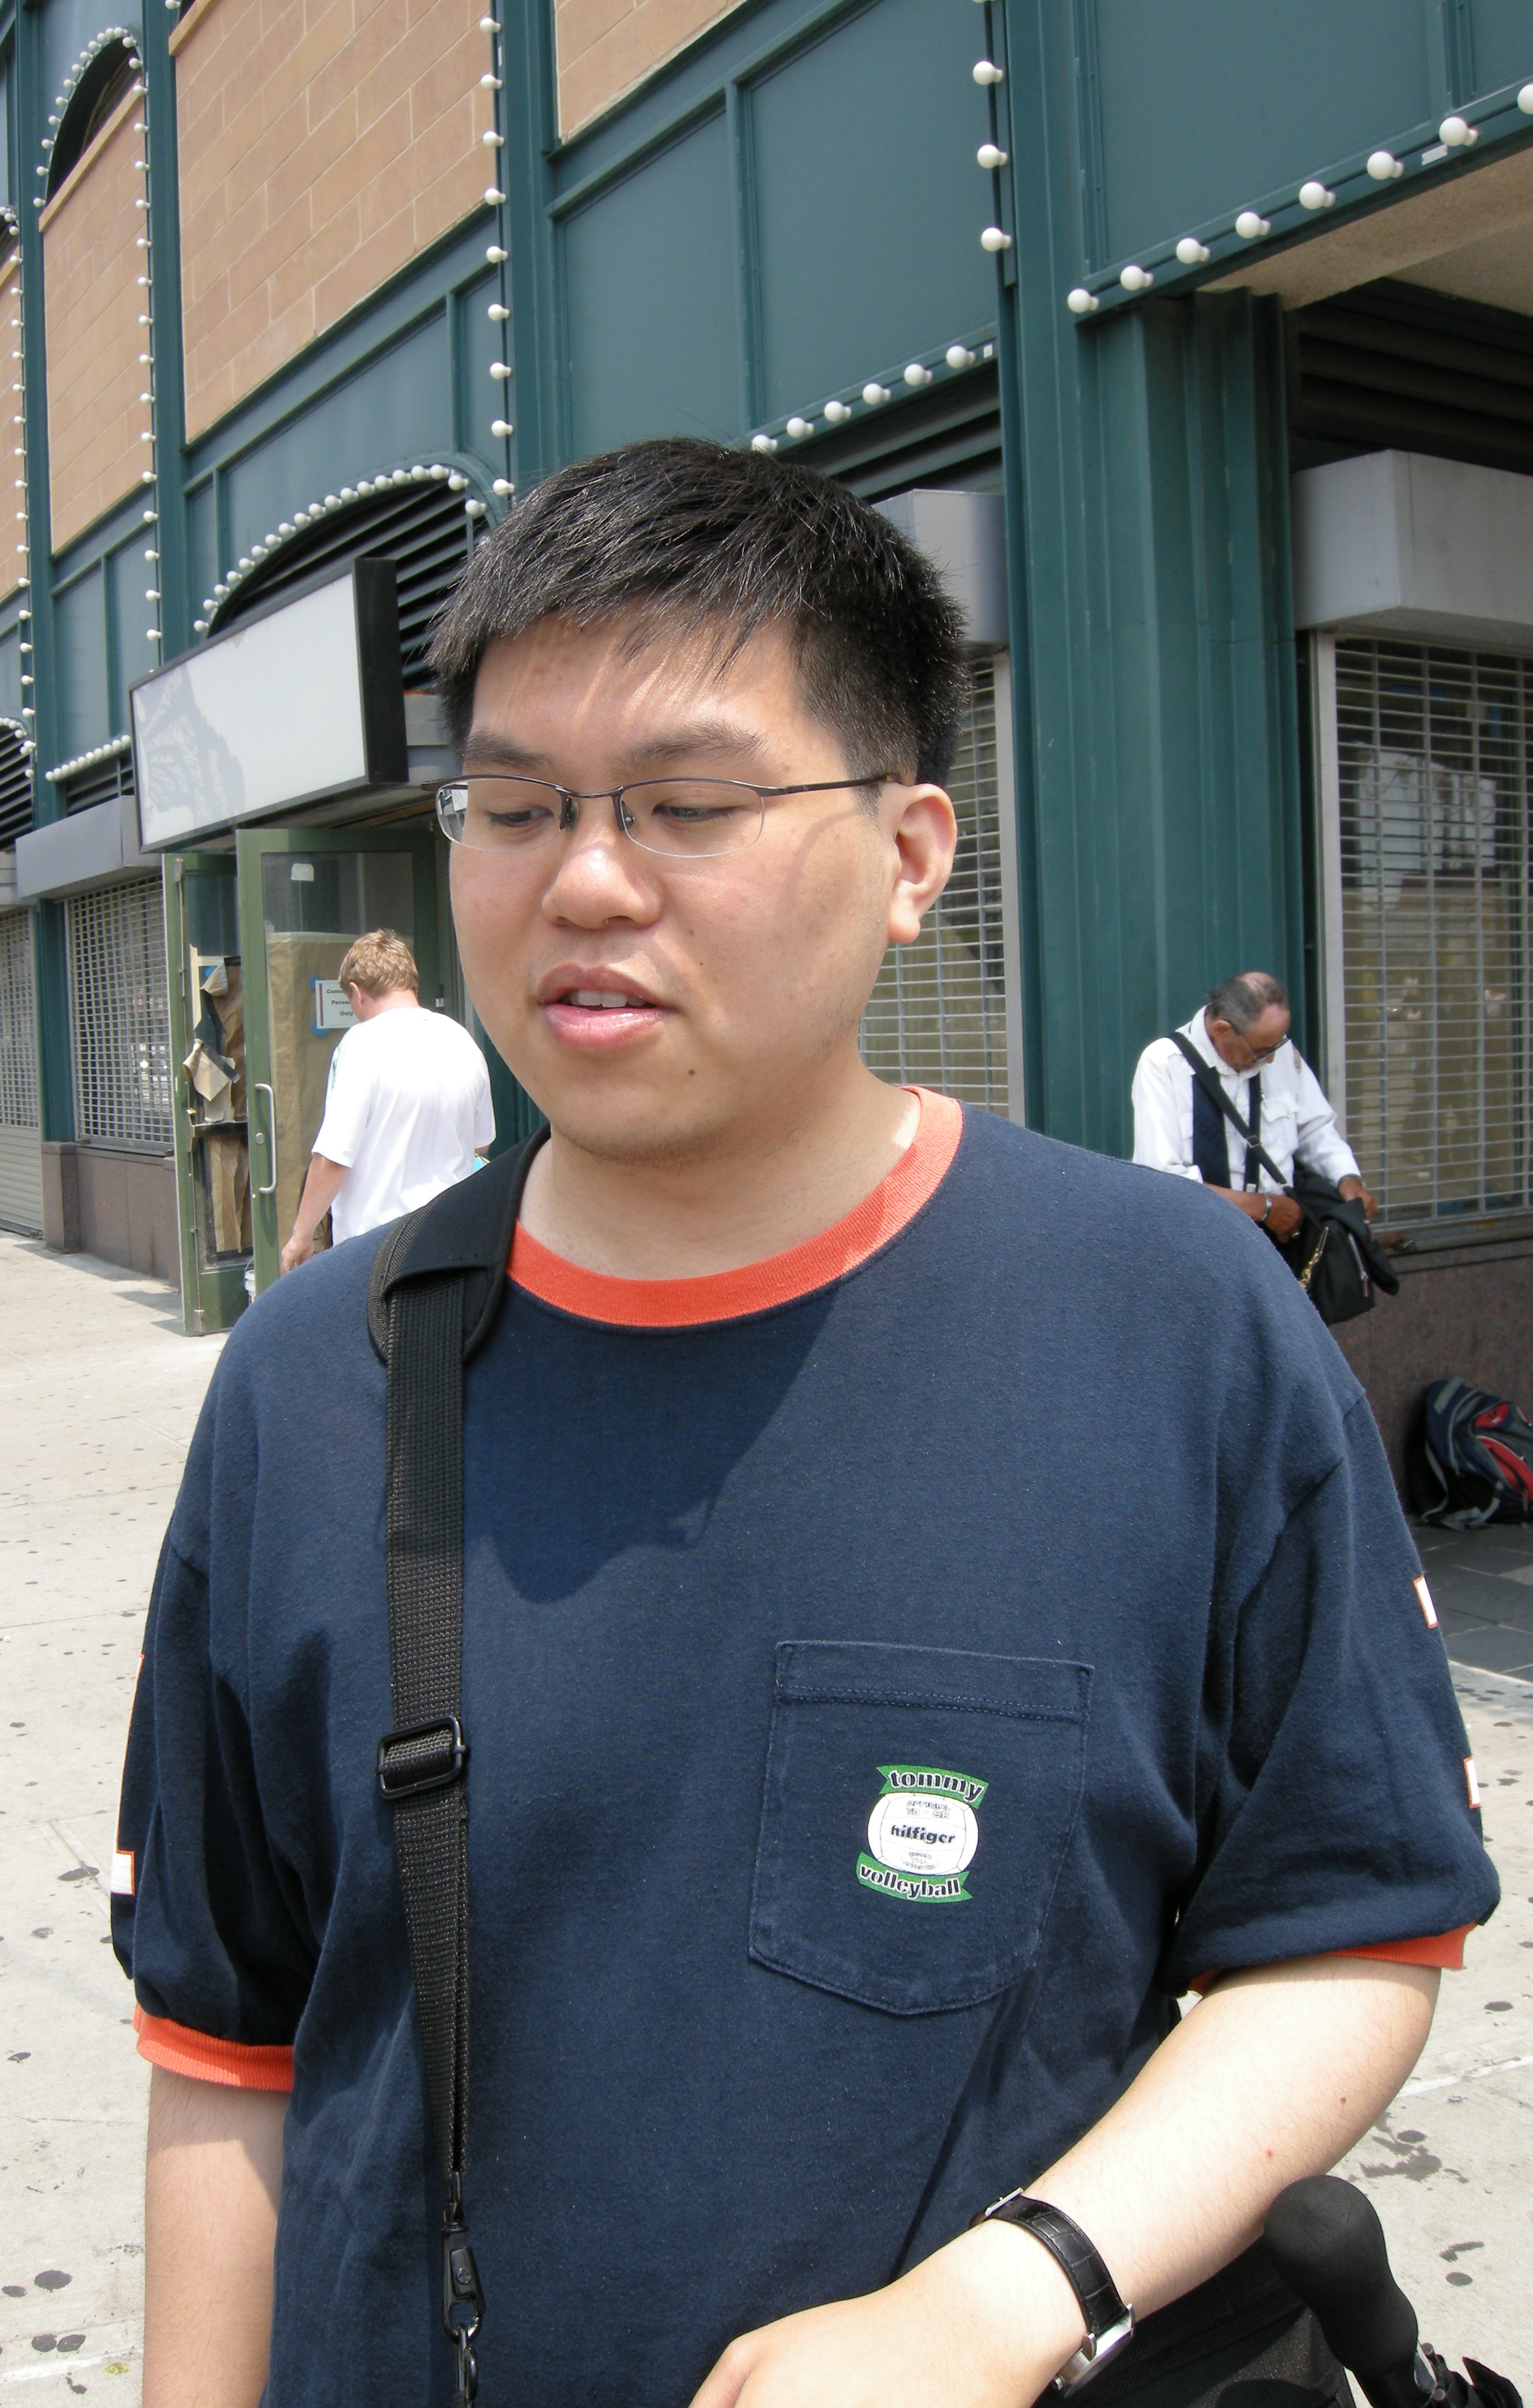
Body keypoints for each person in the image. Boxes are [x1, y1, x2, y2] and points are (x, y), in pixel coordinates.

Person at [113, 441, 1494, 2408]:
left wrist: (1005, 2299)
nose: (585, 880)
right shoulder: (308, 1388)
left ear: (915, 854)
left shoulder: (1175, 1325)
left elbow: (1351, 1931)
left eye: (689, 804)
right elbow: (229, 2054)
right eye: (513, 806)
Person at [277, 928, 493, 1273]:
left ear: (356, 992)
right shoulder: (463, 1041)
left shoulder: (361, 1044)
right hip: (451, 1247)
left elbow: (334, 1156)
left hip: (377, 1252)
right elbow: (479, 1146)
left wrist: (301, 1235)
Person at [1131, 972, 1375, 1243]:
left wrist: (1346, 1177)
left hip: (1279, 1241)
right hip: (1199, 1242)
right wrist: (1263, 1208)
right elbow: (1162, 1181)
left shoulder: (1276, 1050)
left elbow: (1314, 1128)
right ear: (1222, 1030)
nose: (1270, 1060)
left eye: (1277, 1045)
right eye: (1260, 1051)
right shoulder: (1164, 1063)